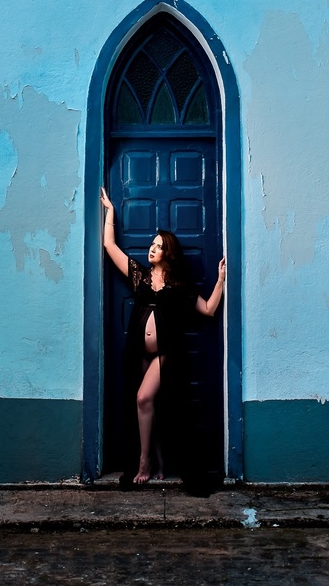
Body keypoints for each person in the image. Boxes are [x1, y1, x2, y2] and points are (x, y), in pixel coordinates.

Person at [100, 187, 226, 486]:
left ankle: (144, 461)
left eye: (158, 246)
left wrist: (220, 280)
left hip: (165, 352)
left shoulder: (180, 285)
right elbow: (109, 245)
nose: (152, 249)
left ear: (167, 252)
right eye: (151, 245)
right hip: (138, 351)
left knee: (144, 398)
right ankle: (156, 457)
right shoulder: (140, 275)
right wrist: (111, 212)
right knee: (149, 406)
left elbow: (208, 309)